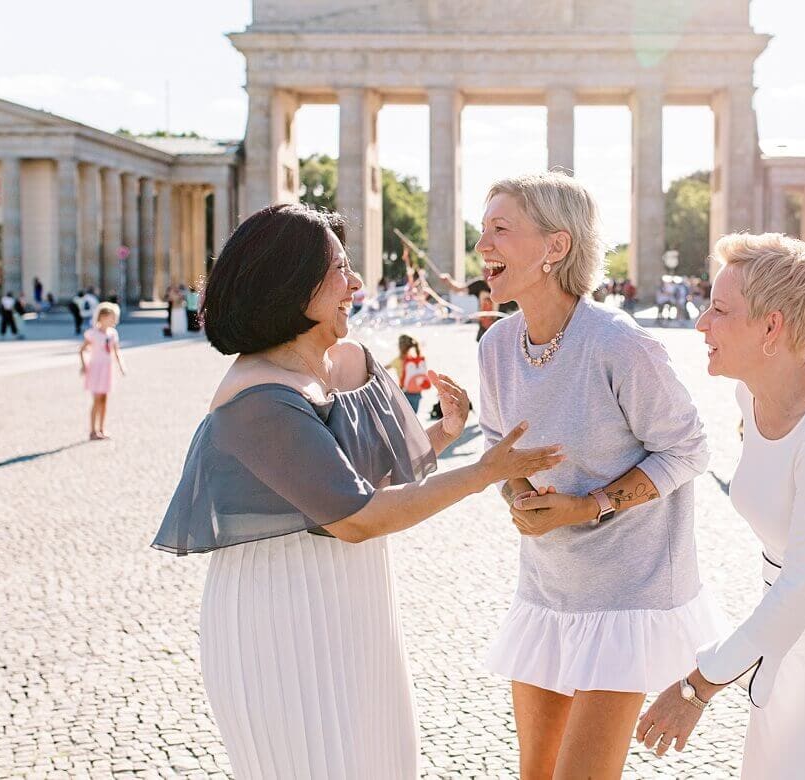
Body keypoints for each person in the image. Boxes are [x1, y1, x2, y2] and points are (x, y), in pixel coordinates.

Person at [152, 203, 563, 778]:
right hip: (279, 613)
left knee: (380, 759)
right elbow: (356, 516)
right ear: (289, 285)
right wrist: (483, 471)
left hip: (357, 599)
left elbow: (380, 474)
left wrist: (444, 432)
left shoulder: (351, 360)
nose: (357, 284)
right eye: (340, 270)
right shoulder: (256, 399)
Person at [637, 232, 805, 777]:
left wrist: (697, 687)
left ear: (771, 327)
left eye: (718, 310)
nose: (701, 324)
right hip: (788, 648)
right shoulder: (751, 396)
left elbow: (800, 586)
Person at [475, 172, 722, 778]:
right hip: (547, 592)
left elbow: (688, 450)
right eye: (482, 231)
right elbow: (494, 447)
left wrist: (587, 507)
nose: (482, 246)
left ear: (556, 247)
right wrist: (517, 493)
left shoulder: (620, 344)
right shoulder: (496, 345)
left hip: (627, 600)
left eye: (500, 230)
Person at [78, 302, 126, 440]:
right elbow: (82, 350)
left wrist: (121, 366)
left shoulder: (112, 334)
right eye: (113, 317)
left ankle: (101, 428)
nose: (115, 320)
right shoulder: (92, 334)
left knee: (104, 400)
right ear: (103, 317)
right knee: (96, 400)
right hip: (96, 369)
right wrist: (84, 365)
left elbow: (116, 352)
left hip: (107, 369)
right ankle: (92, 430)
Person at [387, 333, 430, 412]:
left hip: (405, 392)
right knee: (413, 415)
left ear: (400, 347)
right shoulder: (417, 359)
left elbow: (384, 368)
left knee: (403, 416)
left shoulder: (397, 361)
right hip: (417, 391)